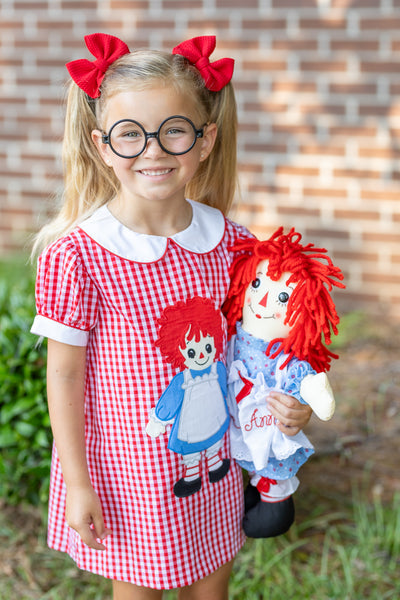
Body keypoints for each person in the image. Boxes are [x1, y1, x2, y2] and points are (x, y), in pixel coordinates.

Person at [31, 33, 312, 599]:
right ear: (102, 145)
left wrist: (289, 401)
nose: (153, 151)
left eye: (174, 131)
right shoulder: (78, 254)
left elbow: (258, 351)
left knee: (211, 590)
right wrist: (79, 483)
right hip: (129, 480)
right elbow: (63, 375)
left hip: (216, 472)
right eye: (130, 135)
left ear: (205, 140)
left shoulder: (233, 245)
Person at [222, 227, 345, 538]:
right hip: (228, 430)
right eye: (257, 282)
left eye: (281, 297)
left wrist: (313, 394)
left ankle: (272, 497)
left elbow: (306, 381)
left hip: (267, 429)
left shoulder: (285, 360)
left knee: (270, 510)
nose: (262, 299)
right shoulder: (229, 337)